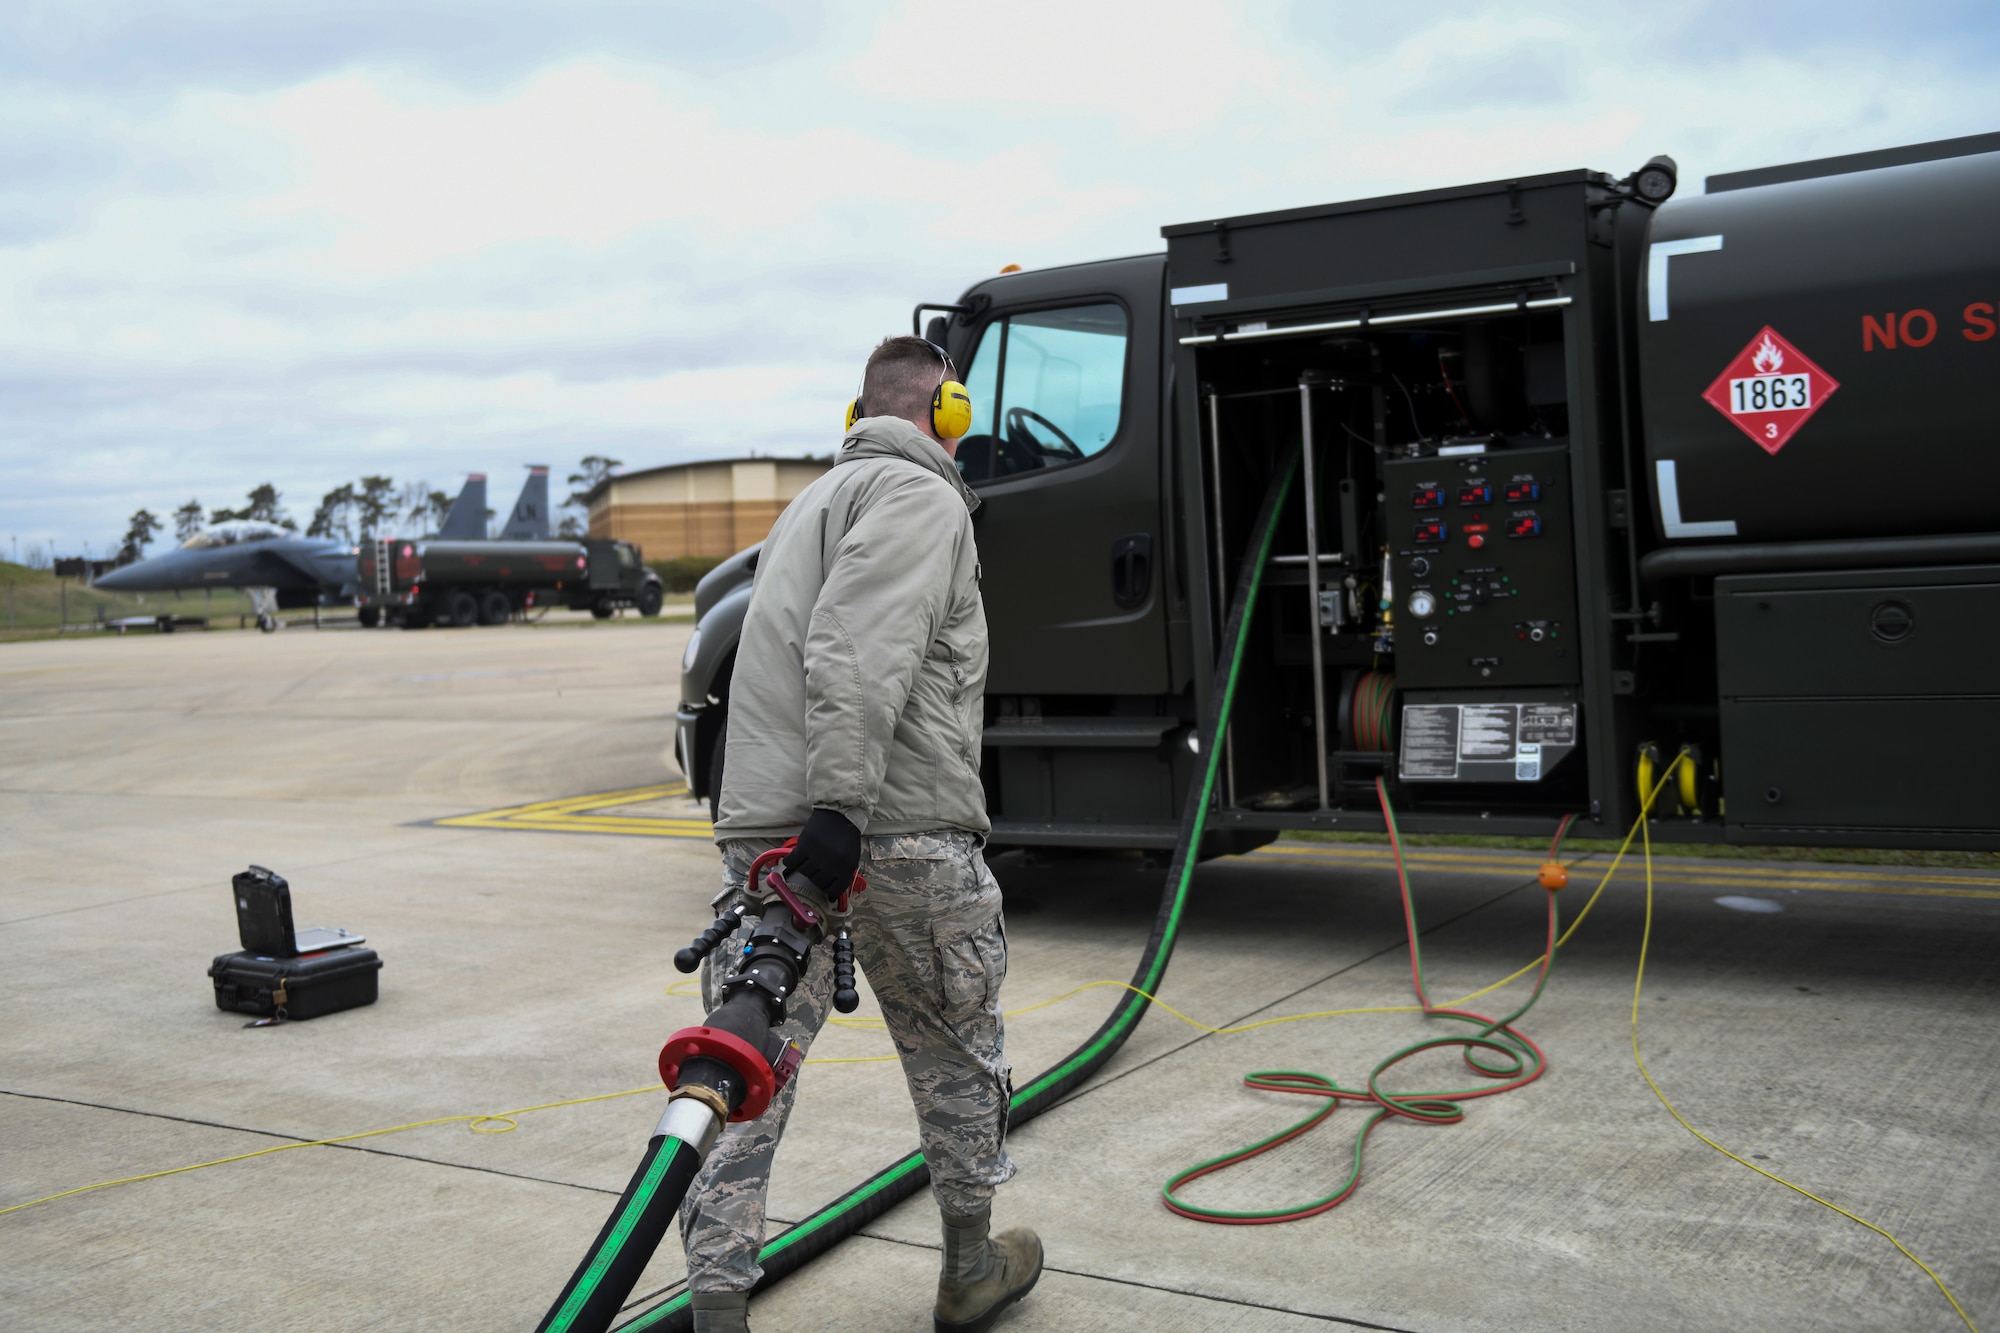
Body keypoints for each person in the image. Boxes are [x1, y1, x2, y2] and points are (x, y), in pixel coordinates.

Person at [682, 335, 1042, 1333]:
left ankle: (716, 1311)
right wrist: (839, 812)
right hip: (889, 830)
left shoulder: (805, 508)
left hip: (764, 847)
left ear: (857, 417)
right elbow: (858, 643)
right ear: (948, 416)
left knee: (742, 1076)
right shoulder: (923, 498)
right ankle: (970, 1268)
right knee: (956, 1051)